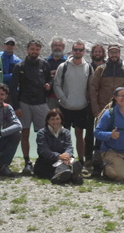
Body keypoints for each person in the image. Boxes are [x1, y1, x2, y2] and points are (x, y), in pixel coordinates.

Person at [89, 44, 124, 177]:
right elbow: (93, 89)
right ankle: (97, 165)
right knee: (99, 137)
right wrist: (96, 109)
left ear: (120, 54)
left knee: (118, 136)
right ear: (108, 54)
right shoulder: (100, 70)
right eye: (112, 53)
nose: (114, 55)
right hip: (103, 109)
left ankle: (117, 164)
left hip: (120, 110)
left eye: (116, 52)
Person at [10, 39, 52, 176]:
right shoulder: (19, 66)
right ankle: (27, 161)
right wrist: (16, 106)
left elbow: (49, 79)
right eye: (32, 49)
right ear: (27, 50)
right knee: (25, 133)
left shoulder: (45, 64)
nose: (34, 52)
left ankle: (43, 159)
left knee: (43, 133)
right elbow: (13, 88)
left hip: (40, 103)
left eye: (37, 50)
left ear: (40, 51)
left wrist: (48, 85)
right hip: (24, 103)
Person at [53, 40, 93, 165]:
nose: (78, 52)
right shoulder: (63, 66)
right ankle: (65, 160)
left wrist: (87, 100)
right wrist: (63, 99)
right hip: (65, 107)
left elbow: (90, 86)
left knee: (80, 134)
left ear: (84, 51)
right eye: (76, 49)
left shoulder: (88, 67)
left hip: (81, 107)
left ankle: (80, 160)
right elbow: (57, 84)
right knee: (63, 134)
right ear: (71, 51)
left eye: (80, 50)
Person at [34, 109, 83, 185]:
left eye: (57, 119)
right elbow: (43, 150)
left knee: (69, 163)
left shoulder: (66, 132)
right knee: (62, 166)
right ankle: (72, 176)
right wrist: (59, 156)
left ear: (61, 120)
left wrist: (67, 155)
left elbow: (69, 147)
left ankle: (64, 175)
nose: (55, 122)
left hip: (63, 160)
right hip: (47, 161)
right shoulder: (42, 133)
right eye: (52, 119)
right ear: (48, 121)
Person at [46, 37, 67, 110]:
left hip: (64, 97)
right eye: (55, 45)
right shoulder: (45, 62)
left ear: (63, 48)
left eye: (60, 45)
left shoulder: (68, 63)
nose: (57, 47)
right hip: (49, 97)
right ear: (51, 47)